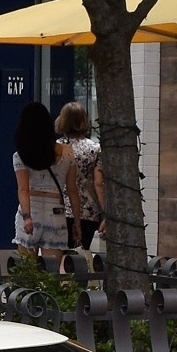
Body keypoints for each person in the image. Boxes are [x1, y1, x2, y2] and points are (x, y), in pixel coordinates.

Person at [11, 102, 62, 253]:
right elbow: (71, 189)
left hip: (31, 209)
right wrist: (77, 222)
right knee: (52, 272)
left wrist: (27, 217)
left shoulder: (20, 156)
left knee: (27, 271)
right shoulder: (65, 153)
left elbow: (23, 190)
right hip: (55, 212)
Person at [54, 104, 104, 253]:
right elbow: (99, 183)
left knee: (56, 257)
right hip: (87, 212)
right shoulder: (95, 149)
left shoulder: (56, 148)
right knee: (79, 258)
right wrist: (105, 213)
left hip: (58, 209)